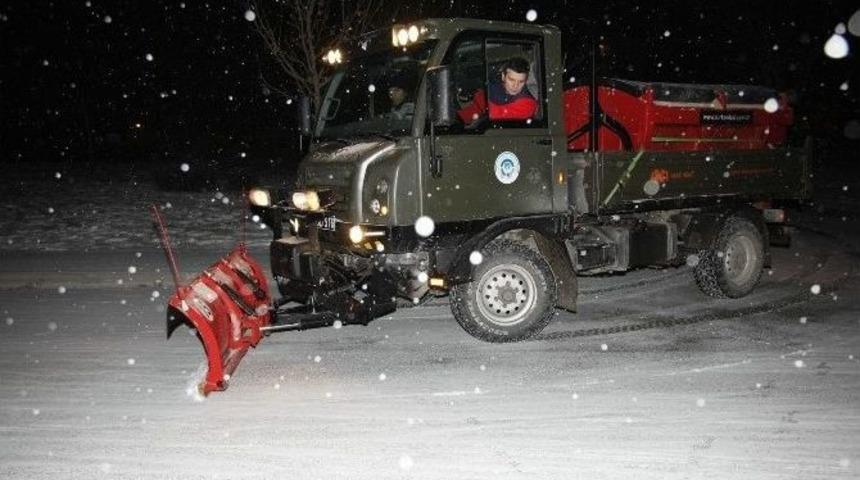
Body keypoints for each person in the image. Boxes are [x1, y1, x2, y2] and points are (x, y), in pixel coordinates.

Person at [457, 57, 537, 124]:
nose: (515, 86)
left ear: (525, 81)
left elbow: (496, 114)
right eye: (511, 80)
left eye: (521, 82)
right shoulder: (496, 87)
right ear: (503, 76)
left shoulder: (529, 103)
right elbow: (474, 110)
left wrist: (479, 94)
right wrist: (458, 119)